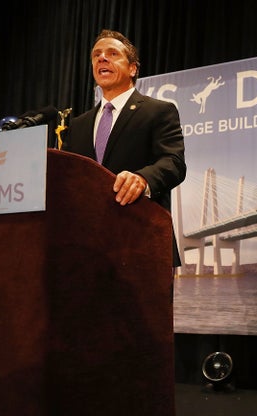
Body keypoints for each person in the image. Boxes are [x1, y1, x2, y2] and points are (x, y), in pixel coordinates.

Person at [62, 29, 187, 266]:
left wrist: (143, 179)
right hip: (85, 248)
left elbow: (174, 163)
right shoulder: (78, 125)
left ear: (132, 68)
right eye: (96, 55)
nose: (102, 58)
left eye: (112, 54)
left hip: (140, 242)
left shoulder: (158, 111)